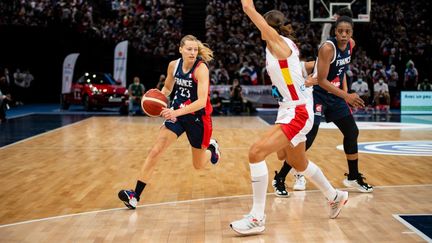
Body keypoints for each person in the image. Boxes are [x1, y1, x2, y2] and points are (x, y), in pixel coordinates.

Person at [231, 1, 349, 235]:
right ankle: (334, 196)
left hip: (297, 110)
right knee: (297, 161)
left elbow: (248, 9)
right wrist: (315, 72)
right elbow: (300, 68)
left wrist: (247, 6)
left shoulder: (277, 43)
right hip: (291, 107)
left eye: (264, 26)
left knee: (255, 153)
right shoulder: (286, 46)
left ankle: (257, 217)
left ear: (268, 28)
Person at [272, 14, 373, 197]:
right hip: (318, 94)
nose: (344, 34)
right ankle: (280, 177)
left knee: (352, 132)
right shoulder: (327, 48)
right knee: (308, 138)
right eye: (340, 31)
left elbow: (341, 72)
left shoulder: (351, 45)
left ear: (352, 33)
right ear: (335, 32)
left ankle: (352, 176)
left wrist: (344, 93)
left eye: (347, 31)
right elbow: (322, 80)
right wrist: (347, 96)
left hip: (335, 96)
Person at [118, 35, 221, 209]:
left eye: (195, 50)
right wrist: (156, 99)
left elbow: (202, 102)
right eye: (189, 49)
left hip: (198, 118)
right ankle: (135, 195)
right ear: (180, 49)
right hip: (177, 115)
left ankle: (212, 149)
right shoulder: (173, 66)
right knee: (155, 151)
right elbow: (167, 88)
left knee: (198, 165)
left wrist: (175, 111)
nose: (192, 53)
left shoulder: (201, 69)